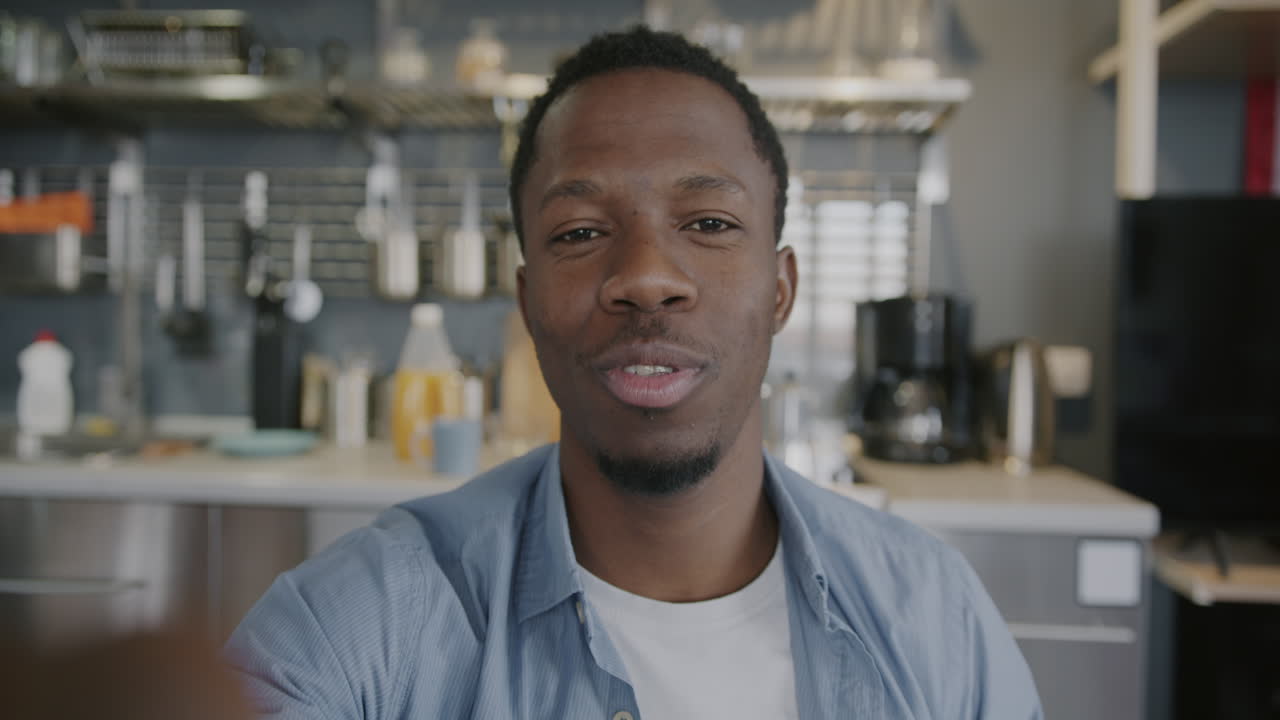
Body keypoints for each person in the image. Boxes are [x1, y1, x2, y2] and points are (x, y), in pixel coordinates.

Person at [226, 26, 1043, 719]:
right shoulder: (365, 619)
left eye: (711, 222)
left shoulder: (935, 618)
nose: (647, 276)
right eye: (580, 233)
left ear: (782, 290)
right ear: (527, 297)